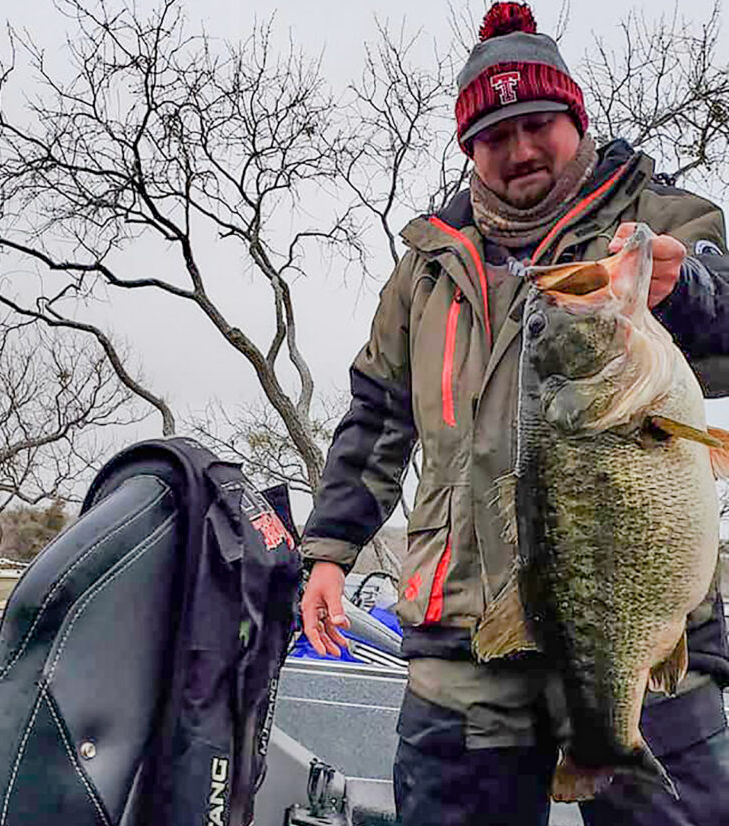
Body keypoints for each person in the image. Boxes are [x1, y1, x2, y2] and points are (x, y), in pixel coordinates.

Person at [300, 3, 729, 824]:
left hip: (634, 628)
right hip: (462, 632)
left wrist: (694, 292)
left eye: (539, 123)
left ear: (577, 118)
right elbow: (376, 416)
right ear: (470, 150)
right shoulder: (426, 269)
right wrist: (330, 550)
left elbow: (725, 314)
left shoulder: (657, 216)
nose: (521, 149)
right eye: (496, 135)